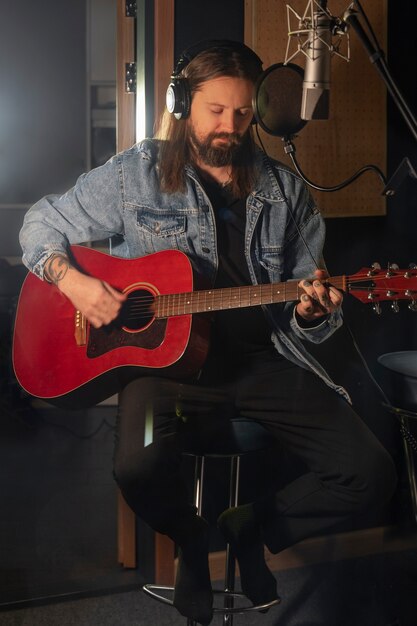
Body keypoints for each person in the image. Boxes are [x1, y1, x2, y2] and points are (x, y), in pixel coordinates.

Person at [19, 40, 397, 625]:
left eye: (243, 112)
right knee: (136, 467)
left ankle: (249, 525)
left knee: (370, 474)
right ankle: (192, 539)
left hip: (263, 360)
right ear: (182, 103)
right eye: (216, 110)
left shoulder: (287, 192)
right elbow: (39, 221)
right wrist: (74, 283)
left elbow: (307, 296)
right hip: (161, 367)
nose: (230, 125)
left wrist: (313, 316)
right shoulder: (134, 174)